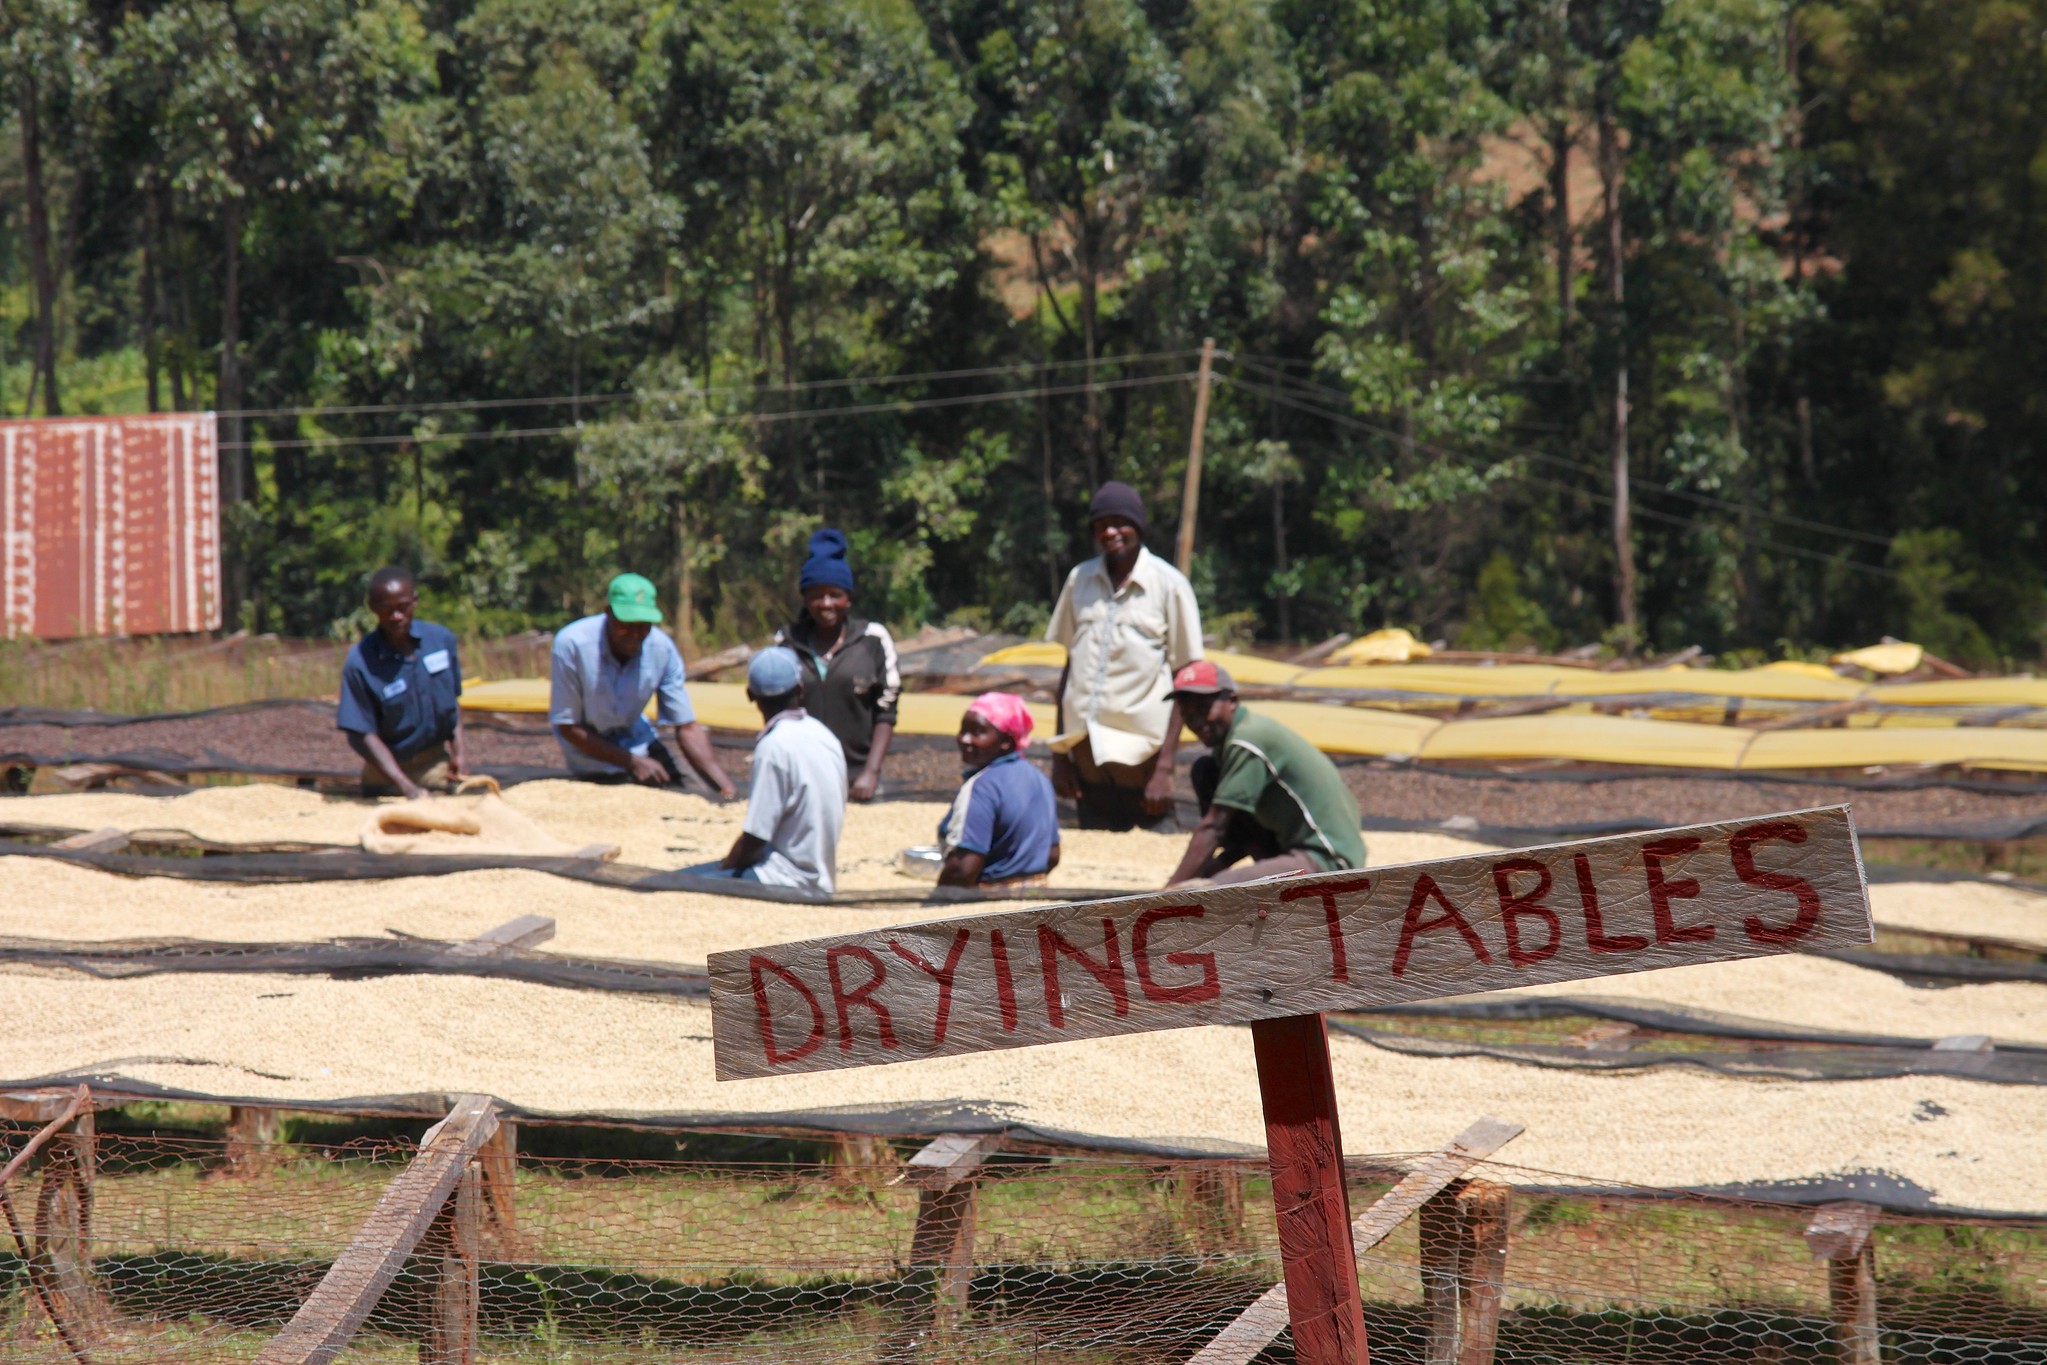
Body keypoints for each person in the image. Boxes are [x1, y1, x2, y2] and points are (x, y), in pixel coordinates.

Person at [1046, 481, 1204, 830]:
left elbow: (1186, 678)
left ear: (1139, 527)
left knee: (1154, 855)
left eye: (1120, 522)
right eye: (1101, 525)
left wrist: (1165, 768)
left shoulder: (1169, 585)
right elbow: (1070, 666)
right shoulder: (1080, 580)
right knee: (1097, 853)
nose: (1111, 532)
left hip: (1142, 753)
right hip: (1086, 749)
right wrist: (1060, 756)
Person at [1164, 660, 1367, 886]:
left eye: (1203, 709)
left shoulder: (1247, 740)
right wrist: (1214, 867)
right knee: (1205, 770)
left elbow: (1214, 827)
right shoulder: (1231, 743)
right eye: (1188, 715)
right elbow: (1235, 833)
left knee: (1215, 892)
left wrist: (1166, 894)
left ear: (1232, 701)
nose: (1197, 722)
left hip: (1327, 860)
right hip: (1288, 847)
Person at [549, 572, 736, 796]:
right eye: (627, 624)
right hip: (589, 755)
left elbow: (686, 726)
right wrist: (632, 762)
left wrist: (724, 787)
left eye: (644, 625)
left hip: (639, 742)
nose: (635, 634)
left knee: (693, 792)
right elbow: (568, 727)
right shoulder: (572, 645)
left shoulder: (662, 649)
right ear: (608, 613)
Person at [682, 647, 847, 893]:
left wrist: (723, 870)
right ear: (800, 689)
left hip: (788, 878)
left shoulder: (774, 747)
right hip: (820, 872)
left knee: (676, 882)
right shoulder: (823, 734)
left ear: (750, 695)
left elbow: (755, 837)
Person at [774, 528, 900, 802]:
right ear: (805, 599)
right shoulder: (787, 641)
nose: (826, 604)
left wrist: (871, 772)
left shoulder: (872, 640)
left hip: (856, 779)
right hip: (800, 776)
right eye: (816, 596)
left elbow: (886, 713)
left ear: (849, 598)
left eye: (835, 595)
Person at [337, 566, 467, 799]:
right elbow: (360, 734)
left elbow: (452, 703)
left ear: (415, 601)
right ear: (373, 607)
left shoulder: (440, 640)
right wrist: (406, 787)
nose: (396, 616)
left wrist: (459, 752)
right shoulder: (361, 662)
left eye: (403, 607)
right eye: (386, 609)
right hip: (386, 775)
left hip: (435, 766)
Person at [937, 692, 1061, 888]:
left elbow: (964, 868)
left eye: (977, 732)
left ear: (1006, 741)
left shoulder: (982, 787)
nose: (964, 739)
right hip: (1036, 894)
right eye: (963, 730)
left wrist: (936, 903)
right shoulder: (1039, 779)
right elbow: (1052, 854)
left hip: (991, 901)